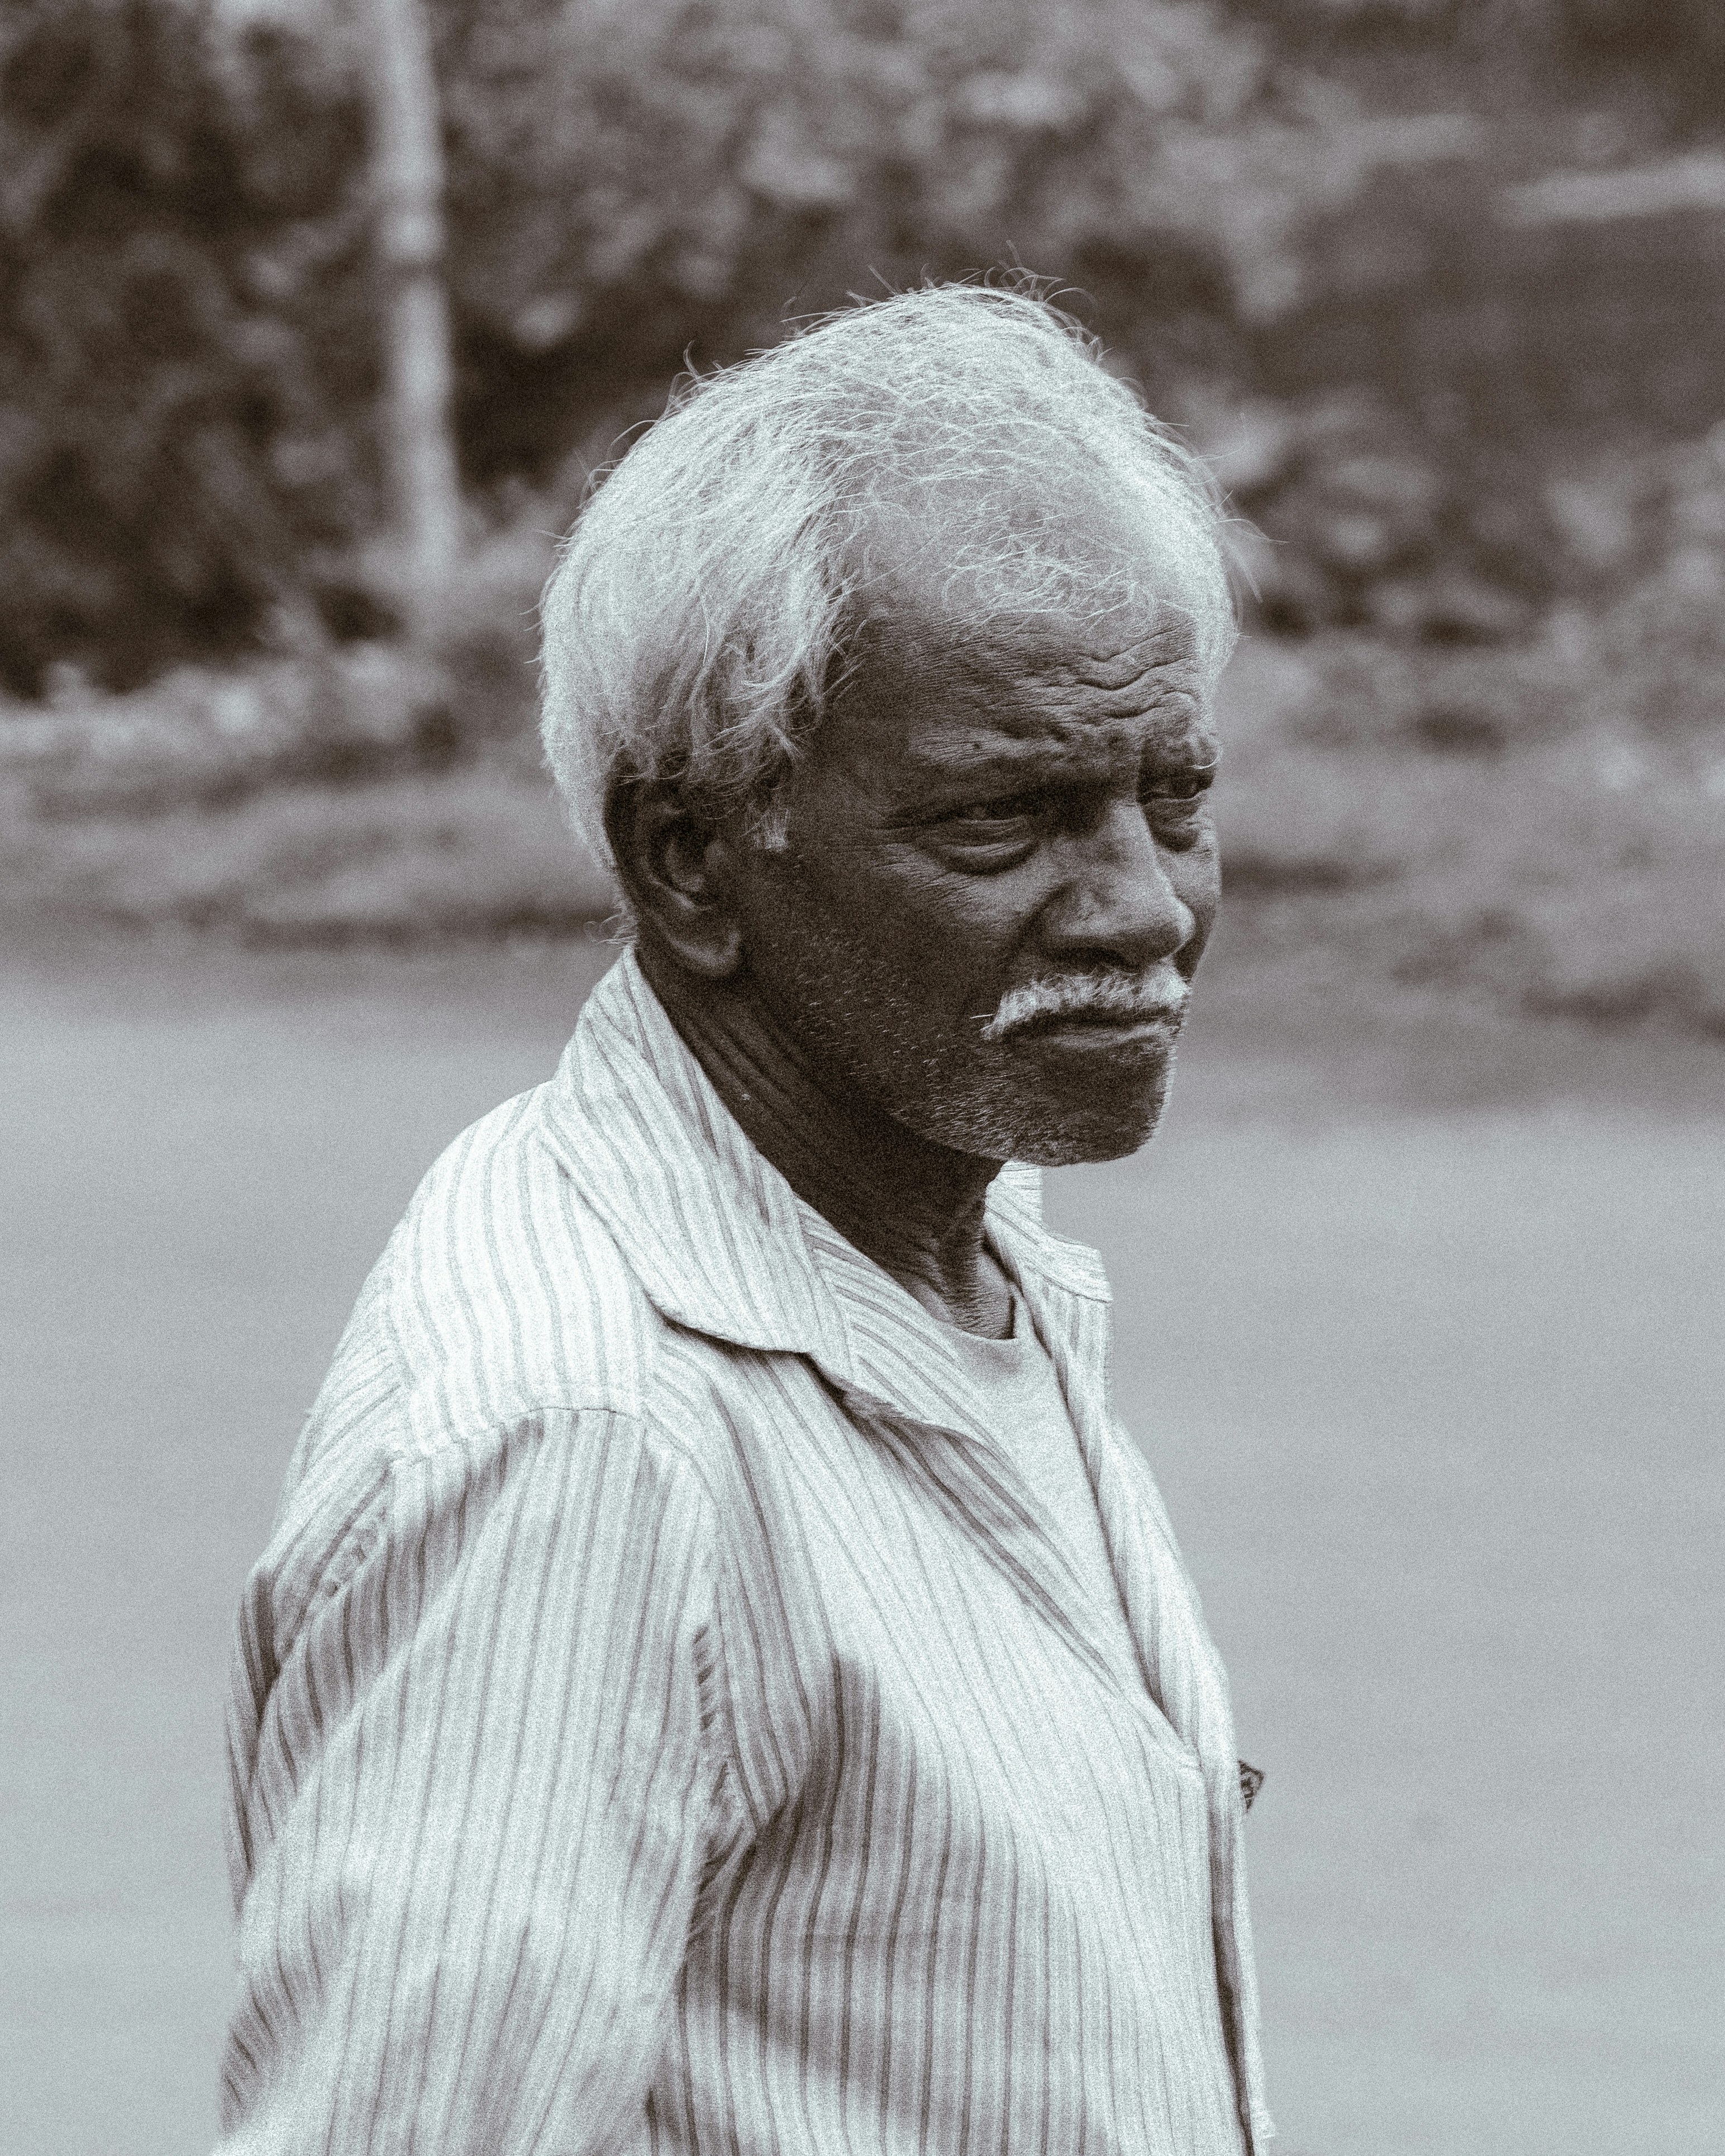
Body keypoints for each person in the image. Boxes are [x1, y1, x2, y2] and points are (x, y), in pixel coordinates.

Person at [220, 284, 1271, 2155]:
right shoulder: (589, 1444)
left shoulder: (946, 1234)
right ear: (692, 862)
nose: (1143, 907)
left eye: (1170, 796)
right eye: (1005, 820)